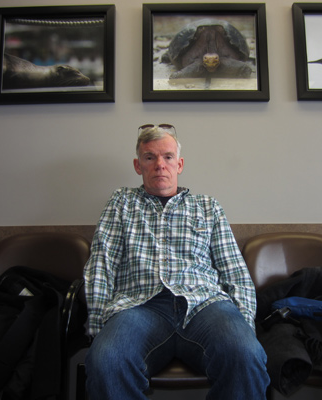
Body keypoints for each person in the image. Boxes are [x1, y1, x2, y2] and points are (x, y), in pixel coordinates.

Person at [84, 124, 270, 399]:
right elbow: (101, 264)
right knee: (106, 361)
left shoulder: (207, 207)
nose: (160, 164)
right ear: (138, 165)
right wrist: (98, 327)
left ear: (179, 164)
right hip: (139, 307)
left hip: (205, 306)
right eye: (150, 157)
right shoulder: (121, 203)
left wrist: (244, 328)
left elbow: (235, 273)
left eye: (168, 157)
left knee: (246, 355)